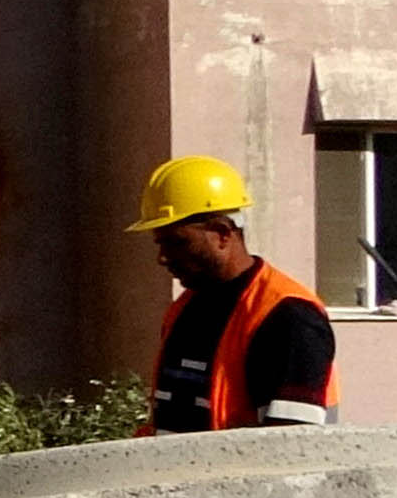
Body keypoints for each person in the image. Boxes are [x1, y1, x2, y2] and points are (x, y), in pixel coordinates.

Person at [129, 155, 337, 433]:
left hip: (241, 477)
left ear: (222, 234)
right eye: (160, 243)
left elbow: (291, 446)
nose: (163, 258)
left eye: (177, 242)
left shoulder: (287, 315)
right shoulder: (186, 307)